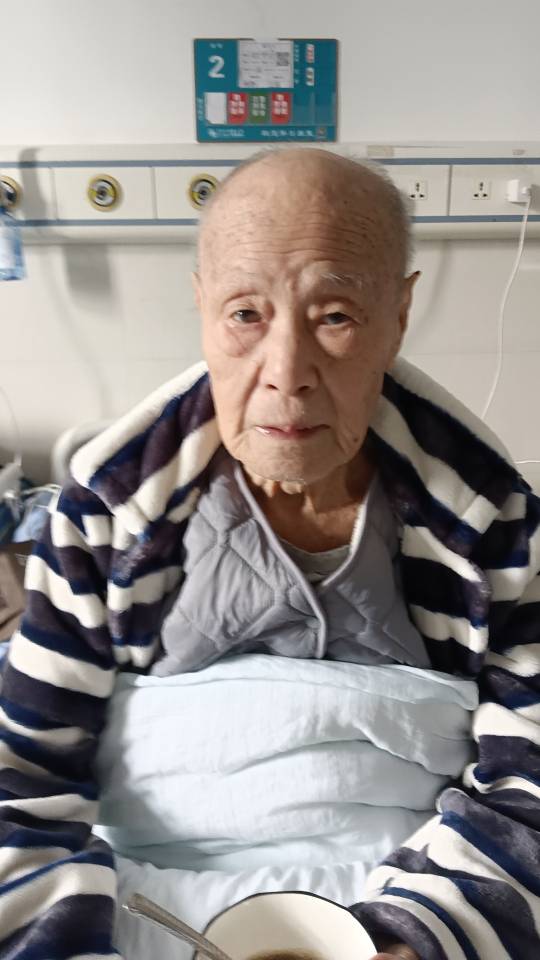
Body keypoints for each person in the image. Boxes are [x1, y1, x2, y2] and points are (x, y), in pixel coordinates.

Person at [1, 147, 539, 960]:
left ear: (398, 315)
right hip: (143, 901)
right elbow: (25, 783)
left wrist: (418, 939)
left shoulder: (492, 521)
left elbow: (527, 781)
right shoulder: (101, 516)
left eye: (335, 316)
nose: (287, 374)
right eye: (246, 314)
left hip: (413, 890)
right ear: (202, 307)